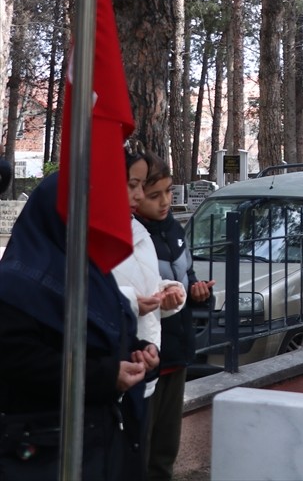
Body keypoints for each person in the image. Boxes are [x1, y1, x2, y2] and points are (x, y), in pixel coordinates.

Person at [0, 172, 156, 480]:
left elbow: (102, 334)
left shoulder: (90, 270)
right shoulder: (14, 285)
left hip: (99, 440)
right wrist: (107, 374)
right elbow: (20, 361)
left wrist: (138, 352)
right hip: (42, 450)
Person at [135, 153, 211, 481]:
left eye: (168, 191)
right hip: (145, 355)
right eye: (155, 195)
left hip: (176, 350)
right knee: (141, 444)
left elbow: (186, 274)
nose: (165, 202)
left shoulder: (174, 228)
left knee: (166, 445)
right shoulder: (133, 236)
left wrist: (196, 291)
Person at [112, 148, 185, 406]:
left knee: (158, 445)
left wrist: (171, 292)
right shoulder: (89, 234)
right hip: (115, 368)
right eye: (135, 185)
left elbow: (147, 283)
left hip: (151, 358)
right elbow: (82, 294)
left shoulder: (139, 231)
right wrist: (131, 302)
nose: (140, 195)